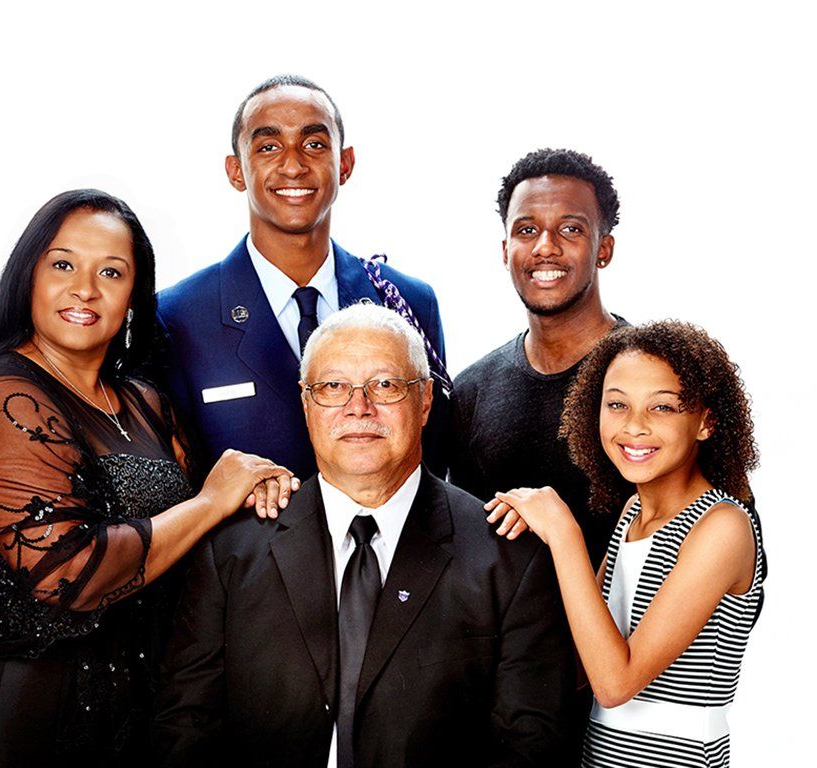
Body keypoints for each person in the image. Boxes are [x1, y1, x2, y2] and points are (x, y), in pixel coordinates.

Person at [0, 189, 299, 767]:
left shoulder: (144, 401)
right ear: (30, 276)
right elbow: (67, 574)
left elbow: (198, 539)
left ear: (133, 296)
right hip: (30, 709)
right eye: (63, 264)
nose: (85, 289)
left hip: (148, 702)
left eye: (111, 272)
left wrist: (252, 492)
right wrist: (211, 503)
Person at [153, 304, 577, 767]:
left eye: (386, 385)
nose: (359, 407)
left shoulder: (508, 554)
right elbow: (185, 727)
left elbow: (531, 747)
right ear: (305, 402)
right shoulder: (234, 546)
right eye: (333, 386)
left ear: (426, 401)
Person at [486, 321, 766, 767]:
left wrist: (564, 532)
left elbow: (615, 684)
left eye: (663, 408)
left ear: (706, 422)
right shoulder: (633, 512)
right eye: (617, 404)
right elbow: (584, 662)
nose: (634, 426)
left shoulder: (722, 527)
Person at [155, 74, 448, 485]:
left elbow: (431, 467)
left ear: (344, 164)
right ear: (236, 170)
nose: (293, 165)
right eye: (269, 147)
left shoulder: (408, 301)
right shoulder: (177, 316)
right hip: (242, 549)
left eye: (314, 144)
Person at [448, 148, 631, 570]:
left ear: (604, 249)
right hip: (505, 636)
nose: (545, 248)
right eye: (527, 230)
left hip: (632, 636)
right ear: (505, 248)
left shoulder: (655, 375)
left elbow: (719, 536)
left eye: (570, 229)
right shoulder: (471, 392)